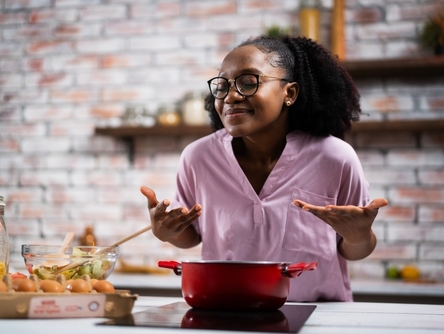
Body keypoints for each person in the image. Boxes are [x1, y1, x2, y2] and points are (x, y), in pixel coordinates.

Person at [140, 35, 388, 302]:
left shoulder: (335, 158)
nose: (231, 96)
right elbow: (191, 238)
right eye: (222, 86)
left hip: (319, 316)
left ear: (289, 93)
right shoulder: (198, 158)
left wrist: (359, 235)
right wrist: (167, 232)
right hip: (226, 312)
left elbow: (355, 249)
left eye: (248, 82)